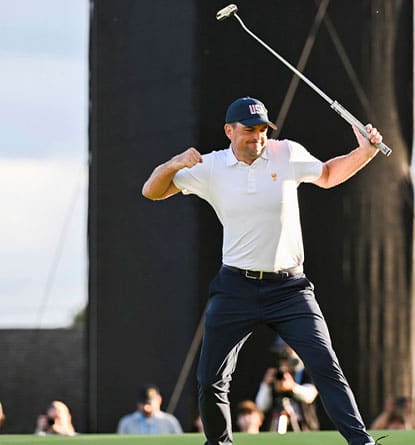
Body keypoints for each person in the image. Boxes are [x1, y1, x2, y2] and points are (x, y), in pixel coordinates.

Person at [142, 96, 384, 445]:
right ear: (229, 131)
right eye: (249, 130)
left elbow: (329, 175)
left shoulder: (286, 153)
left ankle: (362, 442)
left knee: (325, 365)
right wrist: (175, 163)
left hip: (290, 289)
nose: (257, 137)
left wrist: (365, 152)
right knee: (211, 379)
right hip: (235, 288)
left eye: (261, 130)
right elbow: (151, 191)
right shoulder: (211, 167)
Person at [255, 340, 319, 432]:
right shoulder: (275, 375)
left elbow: (309, 396)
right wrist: (266, 385)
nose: (284, 359)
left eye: (287, 352)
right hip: (277, 425)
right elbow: (261, 406)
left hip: (305, 429)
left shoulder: (307, 372)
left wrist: (292, 387)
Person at [117, 385, 183, 435]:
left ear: (159, 400)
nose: (146, 407)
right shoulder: (127, 422)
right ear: (138, 403)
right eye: (143, 403)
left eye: (150, 403)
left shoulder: (169, 421)